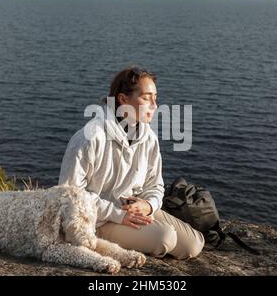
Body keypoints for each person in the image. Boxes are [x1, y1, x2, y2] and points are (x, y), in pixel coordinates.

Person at [58, 65, 204, 260]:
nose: (154, 105)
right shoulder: (90, 137)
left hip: (133, 211)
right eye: (146, 97)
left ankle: (139, 231)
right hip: (95, 220)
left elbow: (155, 184)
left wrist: (149, 205)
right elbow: (70, 193)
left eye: (155, 97)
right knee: (165, 238)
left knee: (193, 245)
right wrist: (117, 214)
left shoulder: (148, 137)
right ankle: (95, 241)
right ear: (123, 99)